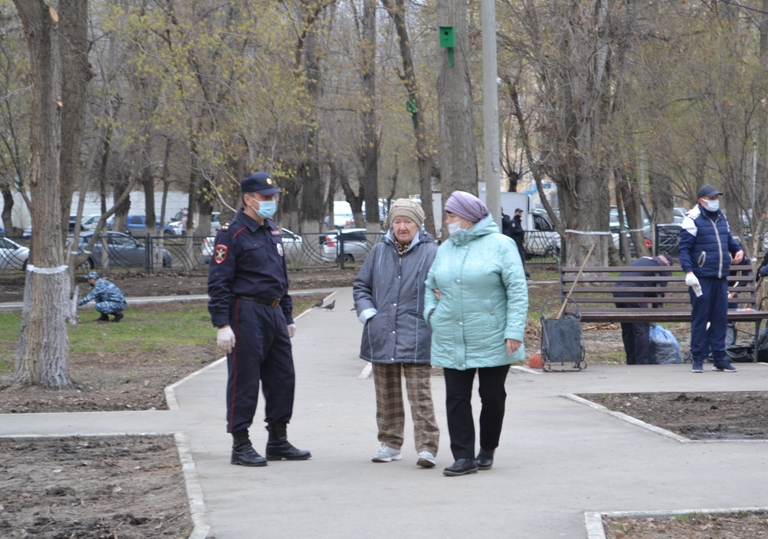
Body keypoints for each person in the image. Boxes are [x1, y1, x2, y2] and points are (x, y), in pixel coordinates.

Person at [207, 171, 310, 467]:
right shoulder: (232, 233)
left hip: (274, 312)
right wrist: (223, 325)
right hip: (246, 312)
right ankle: (240, 444)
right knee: (245, 379)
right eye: (265, 198)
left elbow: (280, 276)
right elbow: (218, 282)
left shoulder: (272, 230)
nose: (270, 202)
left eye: (273, 197)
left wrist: (287, 314)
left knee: (282, 378)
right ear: (248, 199)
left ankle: (277, 439)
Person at [424, 191, 528, 476]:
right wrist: (431, 313)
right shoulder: (445, 248)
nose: (447, 222)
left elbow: (517, 291)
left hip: (492, 334)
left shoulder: (502, 245)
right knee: (456, 396)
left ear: (469, 218)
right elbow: (429, 286)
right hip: (451, 334)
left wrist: (514, 329)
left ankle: (487, 447)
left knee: (492, 396)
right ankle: (463, 456)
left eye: (451, 215)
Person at [353, 199, 440, 468]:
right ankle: (390, 444)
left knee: (420, 395)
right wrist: (369, 314)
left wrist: (434, 314)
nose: (402, 227)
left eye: (408, 221)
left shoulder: (432, 252)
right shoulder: (379, 252)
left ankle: (427, 448)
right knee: (386, 394)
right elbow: (361, 286)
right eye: (397, 221)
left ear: (418, 224)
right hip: (382, 333)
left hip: (417, 333)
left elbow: (442, 287)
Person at [678, 184, 744, 373]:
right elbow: (684, 249)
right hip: (701, 278)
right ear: (702, 200)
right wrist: (689, 272)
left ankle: (719, 359)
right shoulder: (692, 219)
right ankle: (698, 359)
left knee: (720, 318)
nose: (715, 201)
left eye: (717, 198)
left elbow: (728, 239)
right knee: (701, 318)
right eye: (712, 198)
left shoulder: (722, 218)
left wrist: (737, 249)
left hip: (720, 276)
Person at [612, 254, 672, 365]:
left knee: (628, 329)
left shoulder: (644, 259)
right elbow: (659, 294)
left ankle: (631, 362)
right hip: (633, 292)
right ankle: (641, 363)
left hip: (617, 291)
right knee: (642, 328)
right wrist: (655, 316)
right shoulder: (662, 265)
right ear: (668, 263)